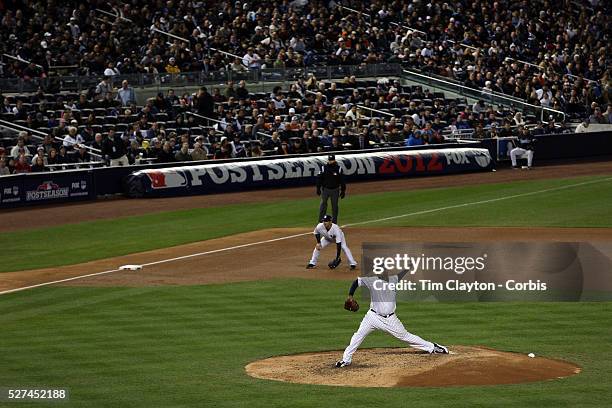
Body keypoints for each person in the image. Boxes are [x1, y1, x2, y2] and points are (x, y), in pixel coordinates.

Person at [334, 269, 449, 368]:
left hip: (390, 320)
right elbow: (356, 282)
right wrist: (350, 295)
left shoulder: (393, 279)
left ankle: (433, 347)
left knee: (405, 336)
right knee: (358, 335)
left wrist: (408, 267)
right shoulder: (372, 280)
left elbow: (401, 275)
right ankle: (346, 359)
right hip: (372, 317)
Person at [317, 154, 346, 224]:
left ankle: (334, 222)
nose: (331, 161)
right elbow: (319, 178)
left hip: (335, 190)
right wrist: (318, 188)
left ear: (334, 160)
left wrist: (343, 190)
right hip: (325, 189)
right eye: (330, 160)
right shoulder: (323, 168)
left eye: (332, 160)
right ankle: (321, 220)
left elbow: (342, 180)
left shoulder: (338, 168)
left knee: (335, 206)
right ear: (328, 160)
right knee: (323, 204)